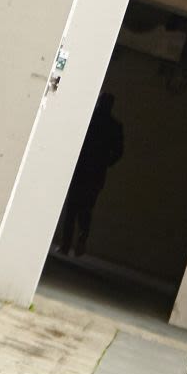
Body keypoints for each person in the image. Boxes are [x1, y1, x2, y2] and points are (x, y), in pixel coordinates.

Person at [56, 91, 124, 258]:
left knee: (71, 208)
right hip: (96, 172)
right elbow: (118, 152)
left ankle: (65, 245)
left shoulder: (89, 120)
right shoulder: (114, 126)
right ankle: (82, 238)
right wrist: (106, 163)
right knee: (86, 208)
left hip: (80, 169)